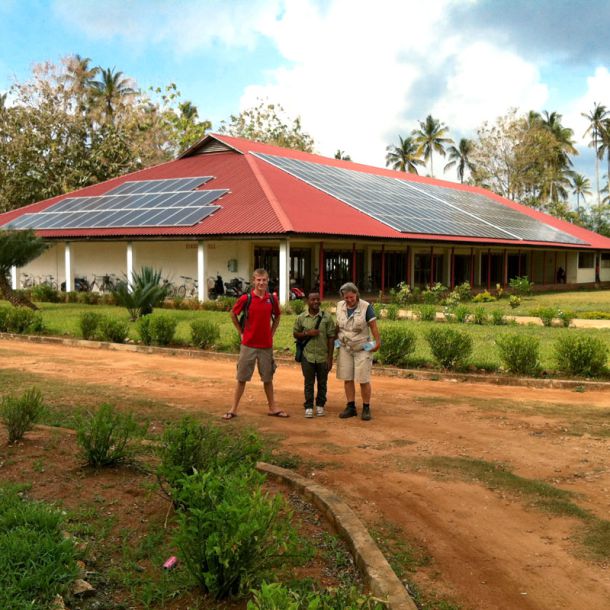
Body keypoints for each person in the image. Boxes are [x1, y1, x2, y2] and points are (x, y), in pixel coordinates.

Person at [223, 268, 287, 420]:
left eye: (264, 280)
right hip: (248, 345)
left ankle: (272, 408)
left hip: (265, 345)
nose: (261, 283)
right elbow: (233, 314)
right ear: (253, 281)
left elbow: (277, 316)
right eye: (258, 280)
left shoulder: (271, 299)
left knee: (268, 378)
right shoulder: (246, 298)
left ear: (267, 281)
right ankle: (233, 409)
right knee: (241, 378)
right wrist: (241, 332)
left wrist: (271, 334)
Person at [335, 282, 380, 421]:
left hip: (362, 347)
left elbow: (373, 326)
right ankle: (351, 407)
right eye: (346, 297)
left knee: (363, 379)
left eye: (351, 297)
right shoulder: (339, 306)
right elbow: (338, 327)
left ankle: (366, 407)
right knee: (347, 378)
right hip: (345, 347)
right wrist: (334, 343)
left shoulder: (366, 307)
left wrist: (377, 342)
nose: (349, 300)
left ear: (356, 294)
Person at [293, 292, 336, 418]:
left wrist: (330, 357)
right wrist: (307, 333)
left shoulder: (327, 318)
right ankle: (308, 406)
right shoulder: (301, 317)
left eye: (318, 299)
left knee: (323, 382)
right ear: (308, 301)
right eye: (313, 300)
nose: (316, 302)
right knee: (309, 382)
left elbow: (331, 338)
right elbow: (296, 334)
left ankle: (320, 405)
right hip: (308, 356)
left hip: (323, 356)